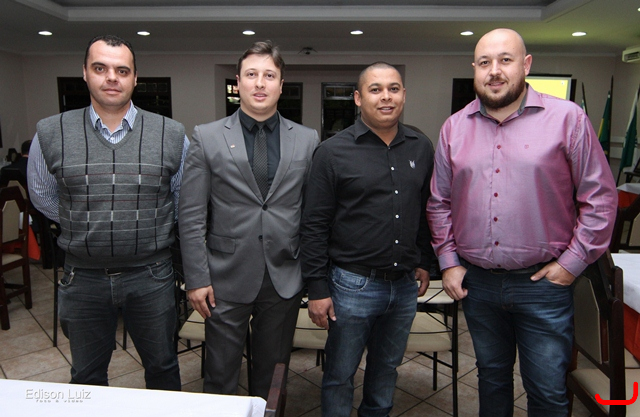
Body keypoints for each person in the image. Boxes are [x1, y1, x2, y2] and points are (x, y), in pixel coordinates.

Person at [427, 28, 618, 417]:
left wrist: (571, 264)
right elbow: (438, 202)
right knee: (491, 381)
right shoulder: (454, 128)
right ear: (474, 69)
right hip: (478, 286)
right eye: (484, 62)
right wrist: (448, 262)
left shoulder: (568, 119)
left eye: (505, 60)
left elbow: (600, 198)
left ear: (526, 65)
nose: (494, 71)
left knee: (547, 391)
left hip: (543, 287)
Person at [27, 35, 187, 390]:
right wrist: (83, 220)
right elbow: (42, 195)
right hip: (83, 277)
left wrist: (147, 224)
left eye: (122, 70)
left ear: (135, 78)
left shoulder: (172, 134)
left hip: (151, 276)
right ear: (85, 73)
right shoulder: (50, 132)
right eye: (100, 68)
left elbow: (180, 197)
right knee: (87, 376)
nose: (112, 77)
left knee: (163, 369)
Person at [178, 40, 319, 399]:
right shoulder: (207, 136)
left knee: (273, 378)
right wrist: (196, 278)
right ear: (237, 82)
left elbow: (312, 214)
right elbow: (191, 215)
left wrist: (313, 274)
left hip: (284, 276)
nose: (260, 83)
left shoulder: (307, 140)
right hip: (224, 278)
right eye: (251, 74)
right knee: (219, 374)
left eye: (269, 75)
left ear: (281, 85)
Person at [300, 62, 435, 417]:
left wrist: (424, 261)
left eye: (393, 88)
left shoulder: (421, 146)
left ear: (404, 95)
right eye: (375, 90)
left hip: (403, 286)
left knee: (386, 371)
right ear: (358, 98)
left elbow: (425, 210)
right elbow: (314, 225)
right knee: (340, 374)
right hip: (352, 286)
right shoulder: (332, 152)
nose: (385, 97)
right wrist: (317, 287)